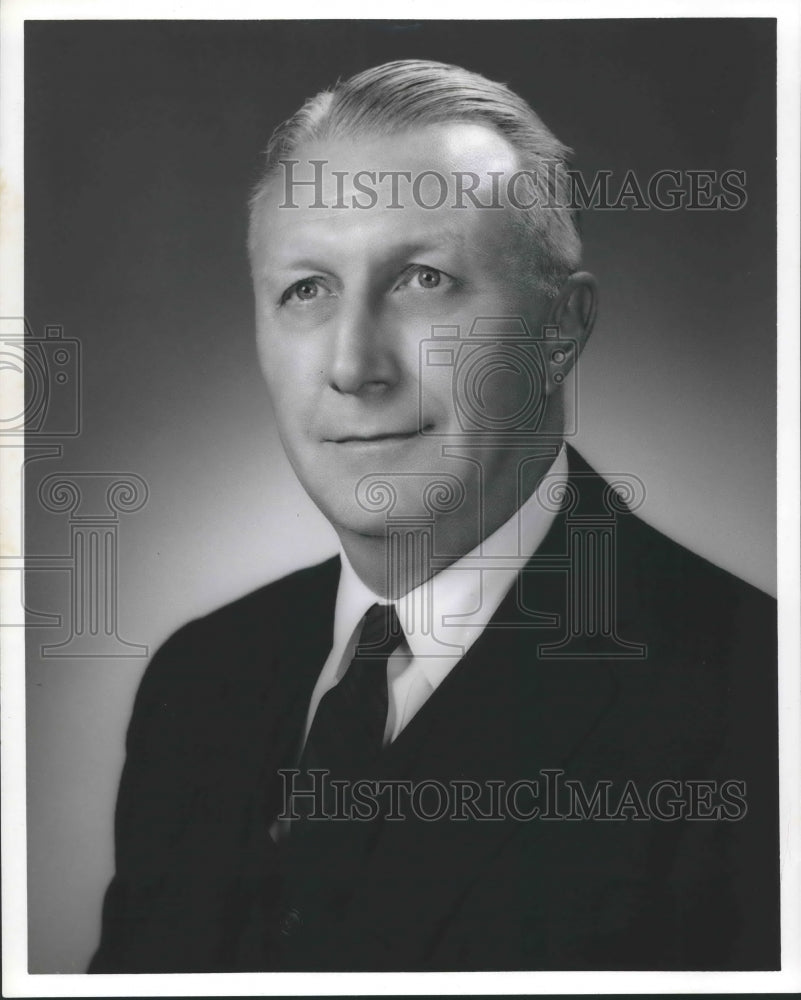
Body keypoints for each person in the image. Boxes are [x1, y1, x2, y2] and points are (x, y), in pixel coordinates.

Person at [89, 60, 778, 973]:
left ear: (560, 328)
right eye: (306, 290)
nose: (353, 365)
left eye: (421, 277)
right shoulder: (198, 682)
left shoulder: (757, 697)